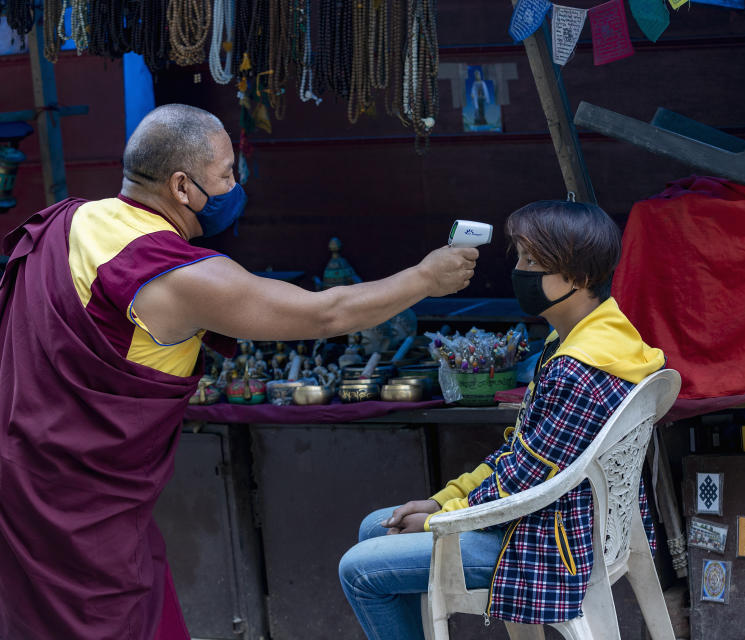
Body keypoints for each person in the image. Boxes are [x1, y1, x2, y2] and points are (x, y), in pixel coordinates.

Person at [0, 104, 478, 640]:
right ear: (182, 187)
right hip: (82, 514)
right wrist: (424, 278)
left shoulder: (72, 221)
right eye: (227, 173)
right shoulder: (171, 273)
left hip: (24, 482)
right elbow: (326, 313)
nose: (236, 184)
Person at [339, 200, 665, 638]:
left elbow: (524, 480)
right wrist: (443, 501)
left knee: (358, 571)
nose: (521, 271)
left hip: (548, 543)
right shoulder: (601, 336)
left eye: (535, 262)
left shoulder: (579, 367)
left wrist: (441, 519)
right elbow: (523, 457)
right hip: (570, 520)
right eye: (521, 258)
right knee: (374, 528)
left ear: (582, 277)